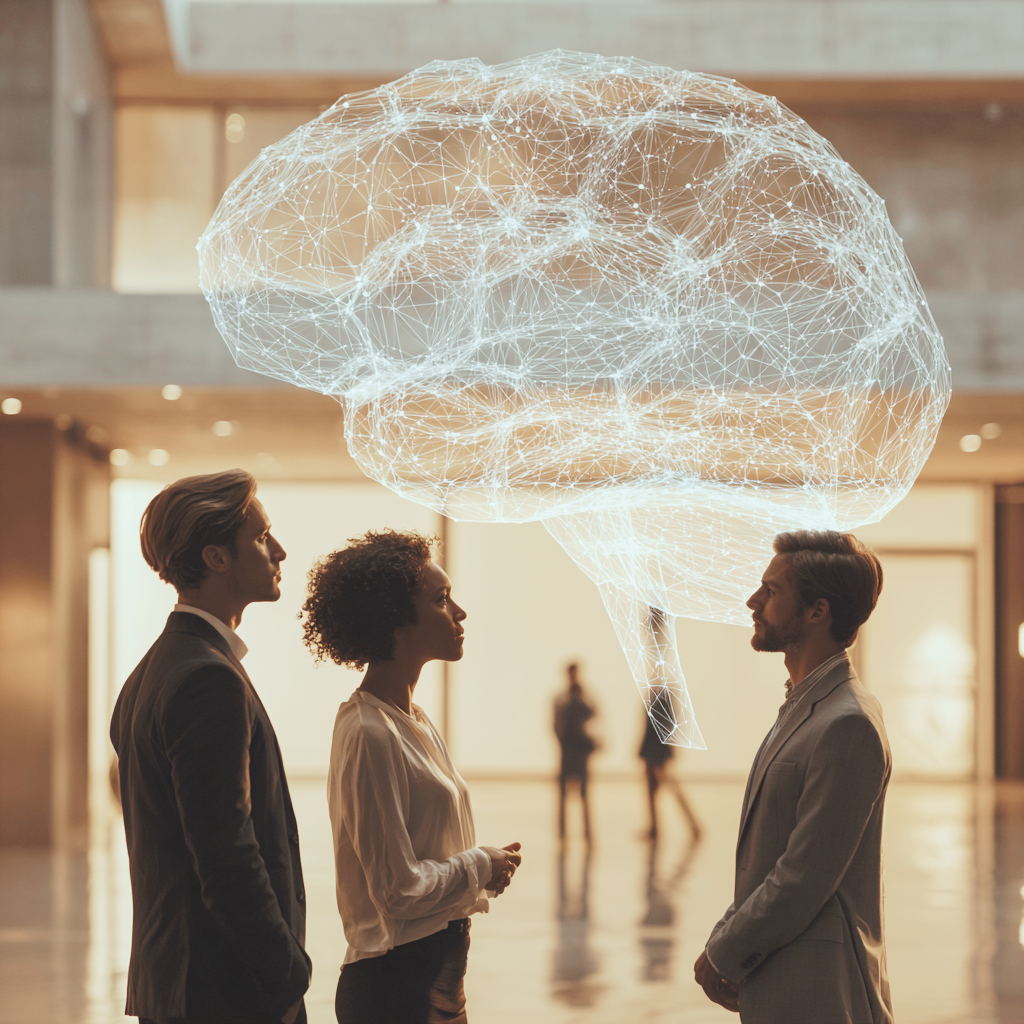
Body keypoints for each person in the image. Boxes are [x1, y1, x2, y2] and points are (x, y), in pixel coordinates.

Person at [110, 470, 310, 1024]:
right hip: (224, 991)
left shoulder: (151, 672)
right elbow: (226, 854)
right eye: (262, 536)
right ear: (217, 557)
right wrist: (285, 971)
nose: (279, 550)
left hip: (178, 983)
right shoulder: (207, 678)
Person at [301, 529, 522, 1024]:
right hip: (395, 989)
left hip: (436, 979)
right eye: (441, 600)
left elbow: (425, 864)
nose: (459, 613)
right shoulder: (368, 731)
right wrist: (477, 866)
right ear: (395, 620)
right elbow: (396, 891)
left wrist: (483, 872)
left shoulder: (414, 720)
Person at [694, 530, 892, 1024]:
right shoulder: (805, 707)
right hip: (785, 977)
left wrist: (725, 952)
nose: (752, 601)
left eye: (771, 591)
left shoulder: (848, 722)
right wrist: (725, 936)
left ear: (816, 611)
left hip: (820, 989)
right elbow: (773, 857)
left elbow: (804, 873)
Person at [639, 713, 702, 841]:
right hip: (655, 751)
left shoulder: (660, 696)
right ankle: (655, 828)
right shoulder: (658, 695)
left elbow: (663, 724)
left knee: (669, 788)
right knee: (654, 791)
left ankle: (693, 825)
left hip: (656, 752)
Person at [553, 663, 597, 843]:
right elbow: (555, 722)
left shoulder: (584, 696)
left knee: (585, 796)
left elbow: (594, 713)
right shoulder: (561, 698)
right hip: (568, 752)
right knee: (563, 796)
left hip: (579, 754)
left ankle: (587, 835)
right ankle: (563, 836)